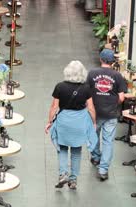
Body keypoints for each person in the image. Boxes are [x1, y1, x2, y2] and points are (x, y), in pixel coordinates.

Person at [45, 60, 98, 190]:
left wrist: (49, 122)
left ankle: (63, 174)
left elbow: (54, 107)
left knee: (62, 149)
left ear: (67, 72)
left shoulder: (60, 86)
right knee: (76, 151)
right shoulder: (86, 88)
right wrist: (94, 122)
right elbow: (90, 108)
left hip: (64, 122)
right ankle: (73, 180)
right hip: (79, 122)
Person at [87, 49, 127, 181]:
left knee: (93, 136)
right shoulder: (117, 76)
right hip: (111, 113)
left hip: (95, 112)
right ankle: (103, 170)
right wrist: (112, 103)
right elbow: (121, 97)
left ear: (101, 59)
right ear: (112, 61)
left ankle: (96, 157)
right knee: (108, 141)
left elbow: (87, 93)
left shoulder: (92, 74)